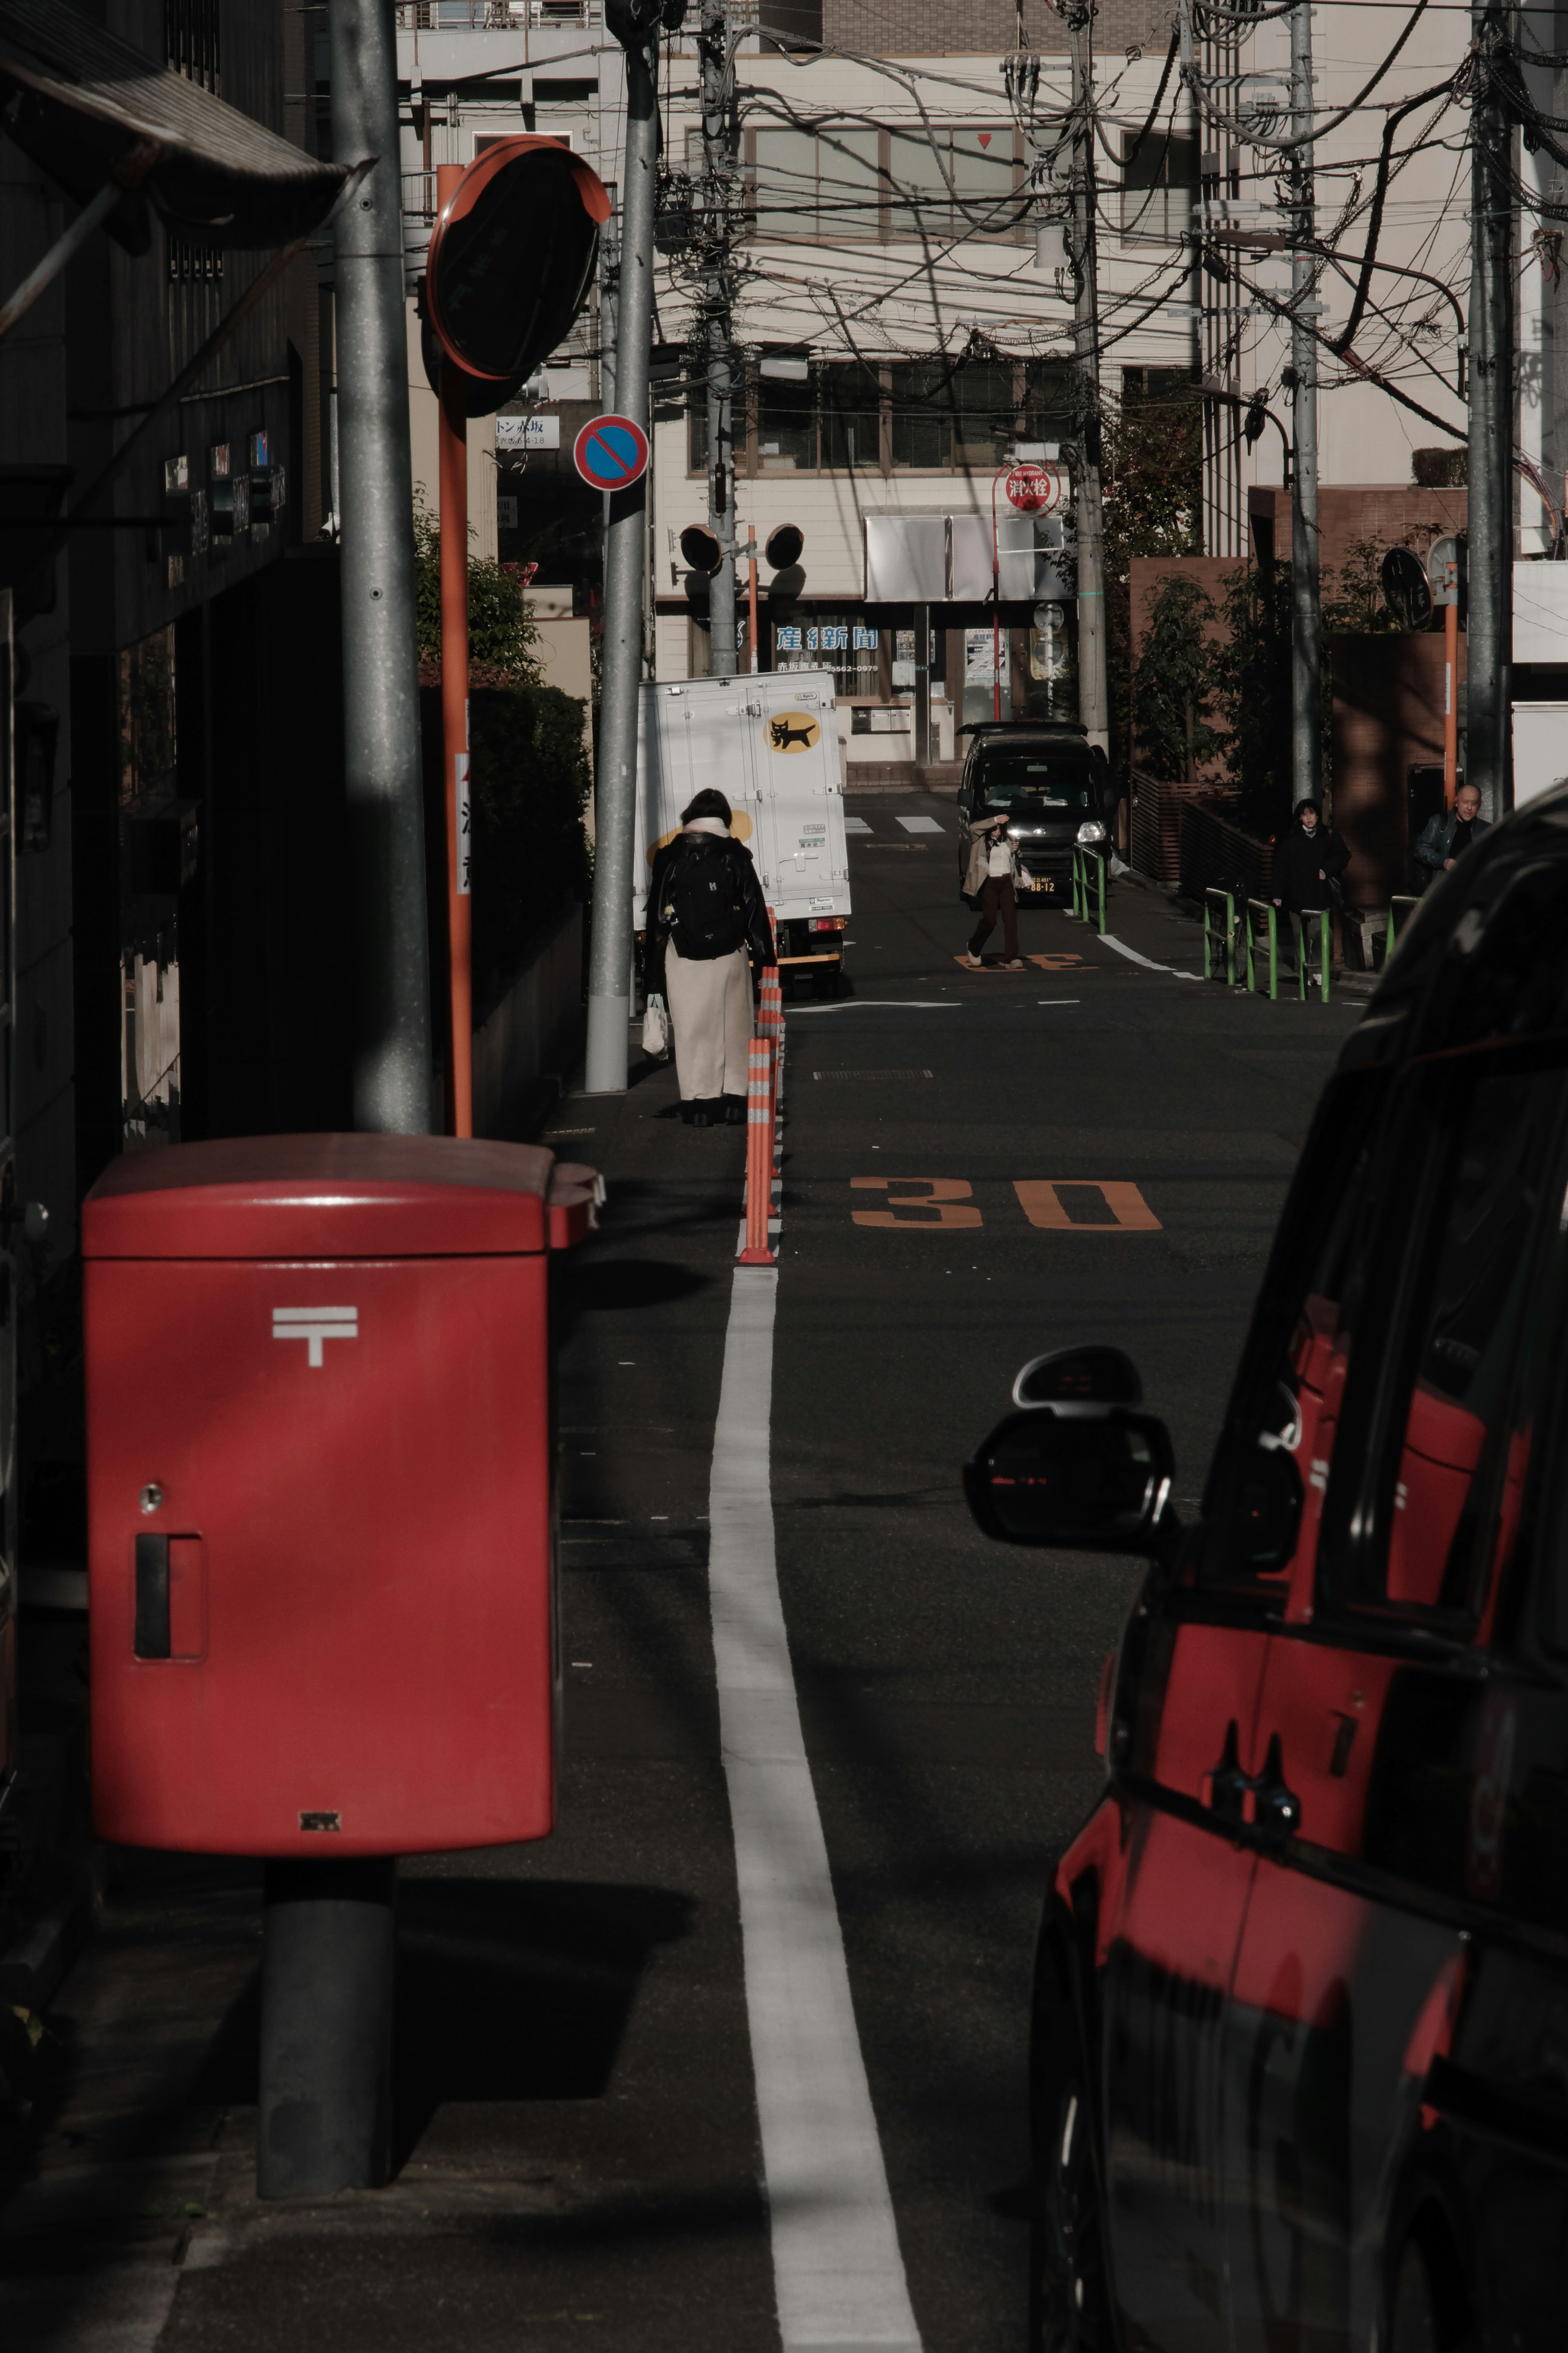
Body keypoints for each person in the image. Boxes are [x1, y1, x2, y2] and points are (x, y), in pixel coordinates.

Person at [645, 788, 774, 1128]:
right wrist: (766, 961)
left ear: (690, 817)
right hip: (729, 953)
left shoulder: (670, 856)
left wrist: (653, 976)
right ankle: (735, 1100)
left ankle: (699, 1104)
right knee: (736, 1027)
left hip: (684, 956)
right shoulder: (734, 853)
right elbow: (753, 910)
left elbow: (658, 919)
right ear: (724, 819)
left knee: (693, 1030)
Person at [1271, 798, 1350, 984]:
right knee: (1301, 938)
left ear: (1317, 815)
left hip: (1321, 896)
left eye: (1312, 814)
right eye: (1305, 815)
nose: (1309, 818)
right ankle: (1304, 974)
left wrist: (1326, 870)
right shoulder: (1291, 840)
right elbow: (1280, 868)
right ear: (1300, 818)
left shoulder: (1328, 835)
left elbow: (1343, 855)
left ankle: (1319, 969)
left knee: (1324, 935)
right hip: (1296, 897)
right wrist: (1277, 894)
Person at [959, 811, 1028, 971]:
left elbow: (1015, 860)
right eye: (994, 828)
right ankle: (974, 946)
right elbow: (974, 828)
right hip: (989, 883)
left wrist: (1016, 850)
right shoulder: (980, 840)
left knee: (1011, 920)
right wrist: (994, 820)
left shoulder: (1008, 840)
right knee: (990, 920)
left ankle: (1011, 958)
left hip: (1006, 884)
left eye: (1000, 828)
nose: (997, 831)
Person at [1414, 782, 1489, 887]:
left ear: (1480, 805)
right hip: (1443, 888)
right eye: (1465, 802)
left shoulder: (1486, 829)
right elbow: (1421, 849)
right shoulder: (1439, 822)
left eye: (1474, 803)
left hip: (1471, 890)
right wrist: (1443, 862)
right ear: (1457, 802)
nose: (1469, 808)